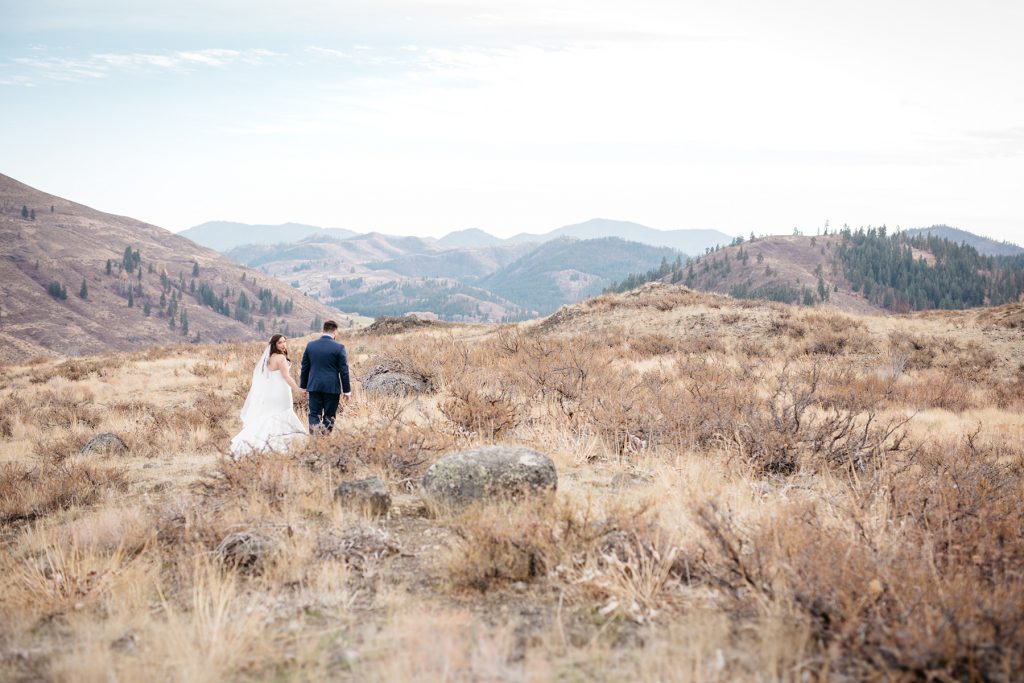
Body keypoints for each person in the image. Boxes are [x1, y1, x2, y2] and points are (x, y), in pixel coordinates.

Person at [229, 334, 307, 457]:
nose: (283, 344)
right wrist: (298, 389)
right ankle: (280, 443)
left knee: (271, 416)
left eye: (284, 342)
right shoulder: (281, 358)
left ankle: (265, 442)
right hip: (281, 392)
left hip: (272, 392)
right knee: (283, 413)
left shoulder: (269, 358)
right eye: (280, 342)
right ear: (274, 345)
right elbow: (286, 377)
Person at [300, 320, 351, 433]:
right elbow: (344, 371)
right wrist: (347, 391)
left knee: (314, 414)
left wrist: (303, 387)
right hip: (332, 387)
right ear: (335, 331)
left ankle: (315, 438)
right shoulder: (339, 347)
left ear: (323, 330)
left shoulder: (311, 345)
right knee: (329, 415)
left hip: (314, 386)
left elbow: (304, 368)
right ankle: (324, 439)